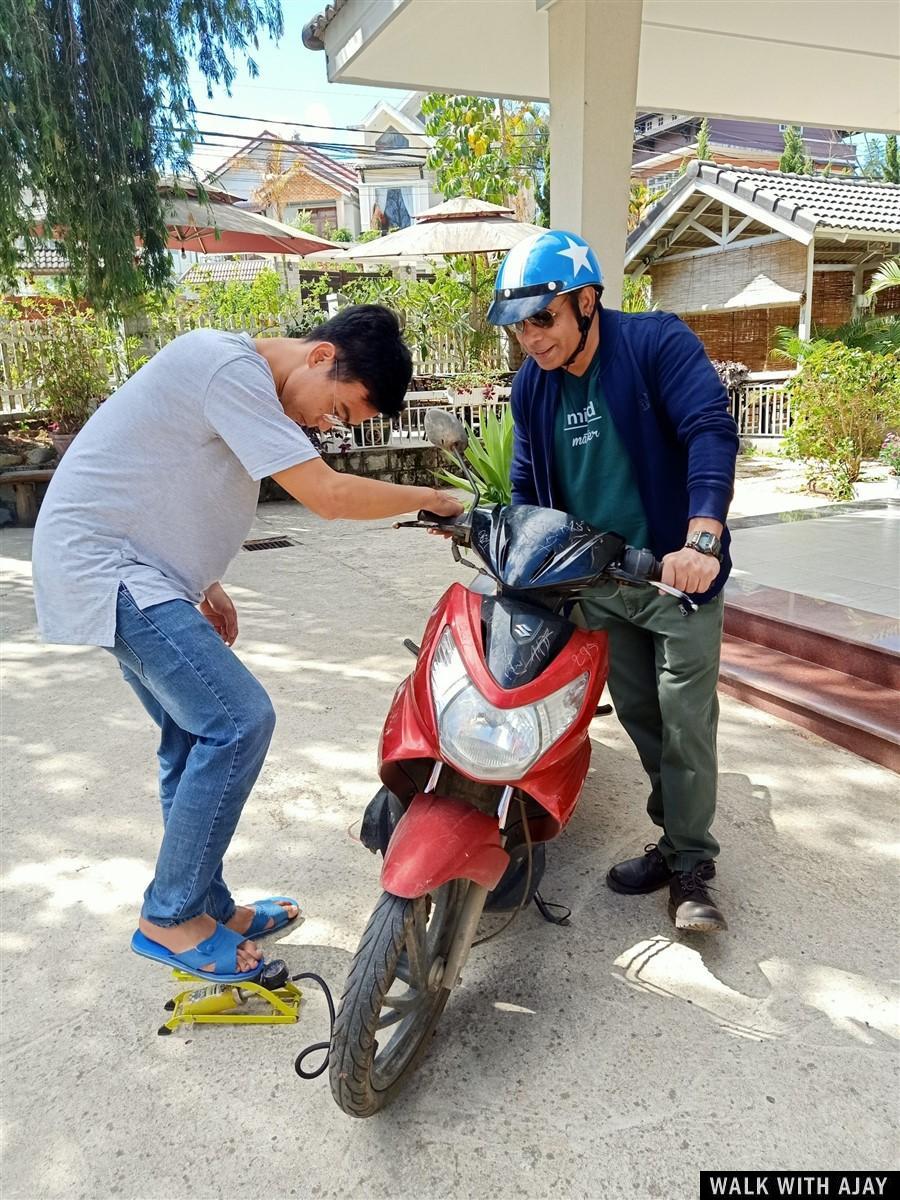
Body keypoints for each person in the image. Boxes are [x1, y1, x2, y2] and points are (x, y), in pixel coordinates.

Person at [31, 304, 463, 981]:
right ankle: (168, 918)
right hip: (109, 570)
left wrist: (202, 580)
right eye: (339, 410)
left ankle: (206, 904)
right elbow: (327, 496)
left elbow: (168, 473)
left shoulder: (243, 382)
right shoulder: (230, 367)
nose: (329, 428)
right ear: (320, 356)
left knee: (191, 737)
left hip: (144, 574)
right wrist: (434, 500)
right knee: (237, 722)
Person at [487, 231, 738, 933]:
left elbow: (709, 432)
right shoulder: (532, 386)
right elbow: (527, 486)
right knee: (641, 717)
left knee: (686, 722)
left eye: (545, 318)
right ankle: (673, 836)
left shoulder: (655, 344)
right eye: (521, 325)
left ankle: (691, 863)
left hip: (675, 577)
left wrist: (702, 539)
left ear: (587, 302)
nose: (532, 338)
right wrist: (513, 545)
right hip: (602, 582)